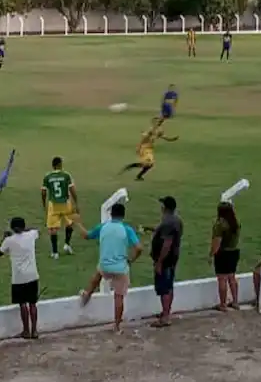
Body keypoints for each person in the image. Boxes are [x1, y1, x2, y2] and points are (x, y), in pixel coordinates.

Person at [75, 203, 142, 333]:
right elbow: (139, 248)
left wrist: (77, 223)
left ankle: (87, 294)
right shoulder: (127, 229)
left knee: (98, 273)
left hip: (105, 266)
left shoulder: (103, 227)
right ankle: (117, 326)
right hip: (121, 269)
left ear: (111, 214)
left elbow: (86, 235)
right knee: (118, 297)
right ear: (123, 215)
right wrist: (131, 259)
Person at [0, 216, 40, 339]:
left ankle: (26, 330)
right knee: (33, 303)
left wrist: (4, 238)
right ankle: (35, 331)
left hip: (18, 278)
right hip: (32, 275)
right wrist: (25, 230)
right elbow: (36, 230)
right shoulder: (31, 235)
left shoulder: (9, 240)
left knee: (22, 304)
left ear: (12, 228)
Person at [146, 196, 183, 327]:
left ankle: (166, 317)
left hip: (165, 260)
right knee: (169, 286)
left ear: (164, 207)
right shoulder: (176, 220)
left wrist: (159, 262)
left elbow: (167, 243)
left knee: (164, 288)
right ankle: (166, 311)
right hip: (172, 258)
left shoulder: (168, 222)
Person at [41, 156, 79, 259]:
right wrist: (76, 203)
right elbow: (72, 190)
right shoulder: (66, 175)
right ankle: (67, 244)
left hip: (53, 204)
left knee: (53, 228)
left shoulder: (47, 177)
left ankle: (55, 253)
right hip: (65, 203)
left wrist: (44, 203)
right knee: (70, 223)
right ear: (59, 165)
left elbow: (44, 192)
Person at [121, 117, 178, 181]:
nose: (157, 123)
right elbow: (144, 139)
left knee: (149, 165)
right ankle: (135, 172)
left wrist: (172, 139)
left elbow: (164, 137)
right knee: (149, 163)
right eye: (155, 122)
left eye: (158, 122)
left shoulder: (159, 130)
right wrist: (139, 147)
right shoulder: (151, 130)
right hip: (144, 148)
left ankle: (134, 170)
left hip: (149, 149)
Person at [210, 201, 241, 310]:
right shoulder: (235, 223)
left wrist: (211, 254)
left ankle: (223, 304)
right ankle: (235, 301)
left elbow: (217, 242)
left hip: (223, 253)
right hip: (234, 252)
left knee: (222, 279)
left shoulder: (220, 225)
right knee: (232, 277)